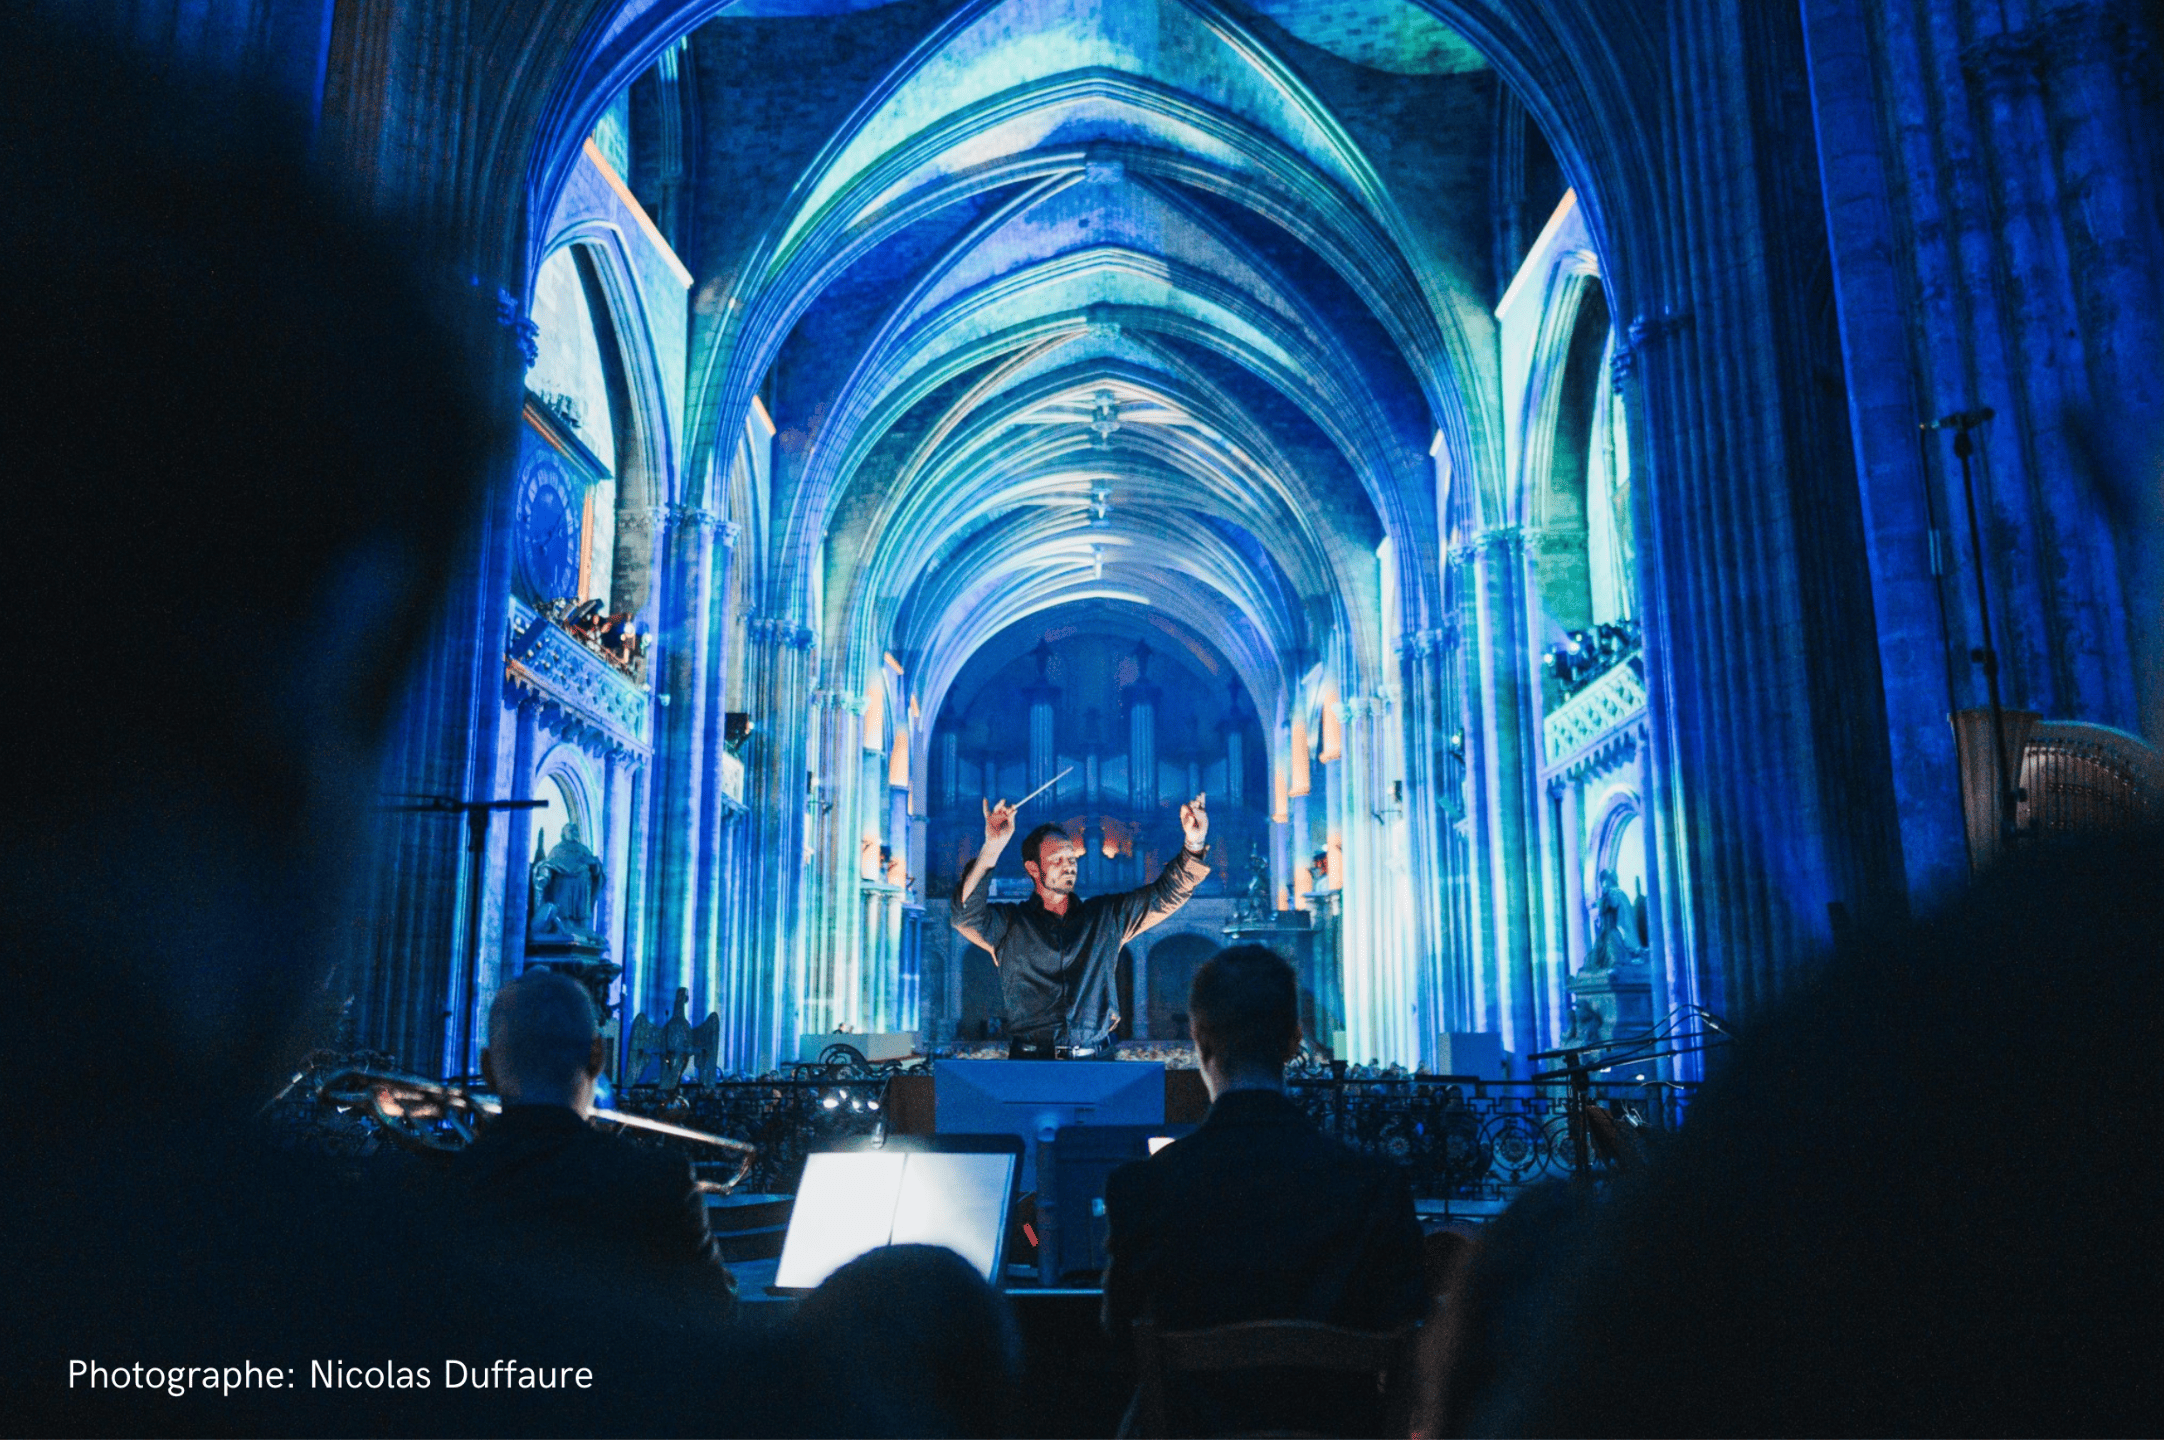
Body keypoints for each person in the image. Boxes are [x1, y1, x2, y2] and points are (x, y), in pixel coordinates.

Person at [1100, 945, 1425, 1435]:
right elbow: (1404, 1325)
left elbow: (1119, 1331)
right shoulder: (1375, 1188)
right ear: (1294, 1042)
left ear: (1199, 1042)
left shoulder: (1142, 1189)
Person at [459, 971, 736, 1303]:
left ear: (487, 1069)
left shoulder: (423, 1184)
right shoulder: (659, 1183)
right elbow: (717, 1312)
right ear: (598, 1057)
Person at [951, 794, 1209, 1057]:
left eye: (1071, 859)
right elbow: (965, 916)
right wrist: (992, 846)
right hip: (1031, 1064)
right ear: (1033, 868)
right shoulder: (1011, 924)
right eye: (1057, 860)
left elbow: (1166, 895)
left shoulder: (1105, 918)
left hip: (1096, 1062)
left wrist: (1194, 842)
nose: (1069, 867)